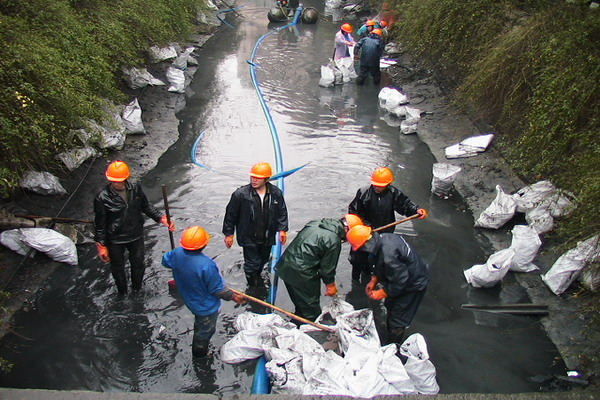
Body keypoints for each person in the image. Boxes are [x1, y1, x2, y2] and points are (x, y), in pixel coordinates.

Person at [94, 160, 175, 295]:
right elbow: (100, 224)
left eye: (120, 181)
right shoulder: (102, 197)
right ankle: (122, 292)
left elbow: (146, 206)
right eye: (114, 181)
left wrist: (161, 218)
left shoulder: (135, 188)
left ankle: (137, 289)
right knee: (117, 268)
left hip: (135, 234)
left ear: (126, 178)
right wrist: (101, 245)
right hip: (115, 238)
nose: (117, 184)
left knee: (138, 264)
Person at [163, 226, 245, 357]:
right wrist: (234, 297)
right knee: (205, 331)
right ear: (204, 245)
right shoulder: (207, 265)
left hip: (189, 298)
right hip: (205, 307)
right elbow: (217, 290)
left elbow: (166, 261)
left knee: (199, 323)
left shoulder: (176, 254)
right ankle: (200, 354)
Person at [347, 225, 429, 344]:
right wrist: (374, 279)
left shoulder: (388, 254)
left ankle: (394, 346)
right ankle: (391, 327)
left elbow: (401, 280)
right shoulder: (383, 238)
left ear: (365, 244)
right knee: (391, 305)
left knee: (398, 317)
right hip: (402, 279)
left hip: (413, 285)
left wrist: (383, 292)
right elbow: (379, 263)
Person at [276, 214, 364, 322]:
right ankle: (308, 332)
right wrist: (330, 286)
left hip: (285, 265)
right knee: (311, 312)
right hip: (302, 274)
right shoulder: (333, 240)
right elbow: (327, 269)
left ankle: (297, 322)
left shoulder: (315, 223)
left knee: (300, 304)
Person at [348, 167, 428, 282]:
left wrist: (416, 210)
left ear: (388, 184)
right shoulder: (363, 193)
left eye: (380, 185)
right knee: (358, 258)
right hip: (364, 234)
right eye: (375, 184)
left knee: (378, 259)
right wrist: (365, 226)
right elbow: (353, 213)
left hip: (384, 233)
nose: (377, 187)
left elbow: (405, 204)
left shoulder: (393, 193)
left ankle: (371, 277)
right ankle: (355, 280)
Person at [223, 162, 289, 287]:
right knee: (252, 263)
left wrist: (282, 230)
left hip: (267, 235)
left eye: (258, 178)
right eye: (252, 177)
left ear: (266, 179)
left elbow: (282, 212)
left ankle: (257, 275)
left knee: (263, 260)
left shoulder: (275, 193)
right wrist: (229, 234)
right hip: (248, 236)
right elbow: (230, 215)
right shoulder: (241, 195)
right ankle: (253, 286)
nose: (254, 180)